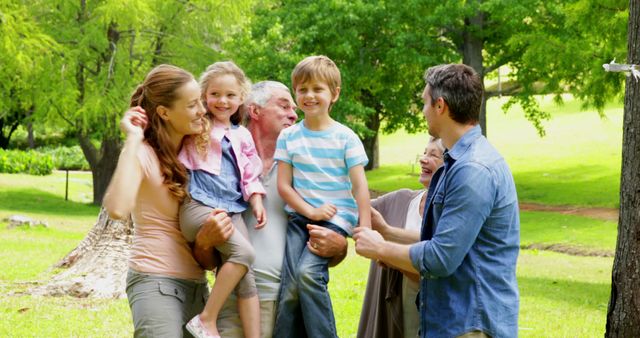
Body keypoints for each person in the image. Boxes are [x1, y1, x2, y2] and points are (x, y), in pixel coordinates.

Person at [354, 64, 520, 338]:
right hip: (455, 322)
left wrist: (381, 248)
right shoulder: (457, 162)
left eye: (424, 102)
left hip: (470, 325)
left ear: (440, 105)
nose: (422, 111)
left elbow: (442, 257)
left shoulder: (472, 169)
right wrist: (388, 231)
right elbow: (448, 240)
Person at [206, 80, 349, 338]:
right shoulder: (223, 160)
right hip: (231, 301)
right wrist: (205, 240)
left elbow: (333, 234)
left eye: (293, 108)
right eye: (284, 106)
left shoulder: (307, 167)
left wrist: (339, 247)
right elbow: (201, 248)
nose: (294, 114)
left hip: (285, 305)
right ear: (254, 111)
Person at [104, 64, 232, 337]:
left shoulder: (195, 158)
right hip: (155, 282)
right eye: (191, 105)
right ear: (164, 112)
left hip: (197, 285)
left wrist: (207, 240)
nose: (202, 110)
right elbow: (116, 209)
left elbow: (207, 260)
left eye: (200, 102)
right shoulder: (143, 154)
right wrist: (133, 139)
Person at [273, 55, 371, 338]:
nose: (309, 95)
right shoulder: (289, 137)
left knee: (307, 273)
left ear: (335, 94)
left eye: (318, 89)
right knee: (290, 288)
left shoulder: (345, 137)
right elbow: (284, 187)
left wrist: (364, 226)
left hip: (335, 217)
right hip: (301, 217)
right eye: (302, 89)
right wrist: (309, 211)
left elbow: (360, 187)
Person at [178, 61, 264, 338]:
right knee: (246, 253)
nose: (222, 101)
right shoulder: (196, 128)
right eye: (215, 94)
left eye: (230, 95)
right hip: (199, 206)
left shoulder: (243, 135)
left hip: (232, 210)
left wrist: (257, 201)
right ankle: (206, 318)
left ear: (241, 98)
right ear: (204, 96)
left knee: (247, 277)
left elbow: (250, 173)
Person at [357, 137, 445, 338]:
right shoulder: (401, 199)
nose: (423, 159)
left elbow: (436, 250)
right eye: (424, 153)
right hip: (399, 310)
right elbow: (356, 211)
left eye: (433, 155)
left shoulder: (453, 211)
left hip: (436, 314)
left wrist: (387, 245)